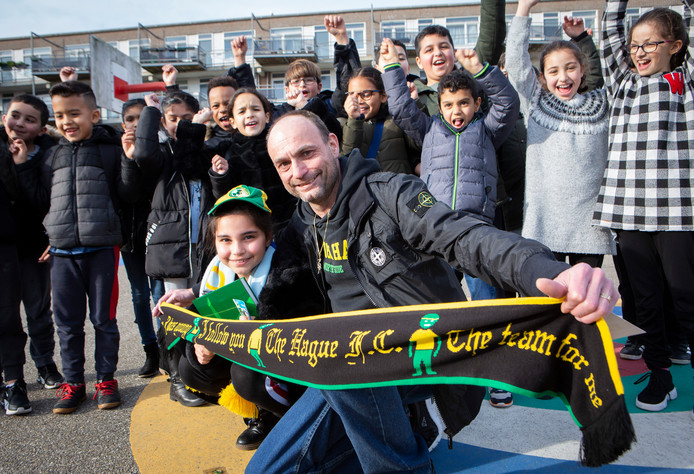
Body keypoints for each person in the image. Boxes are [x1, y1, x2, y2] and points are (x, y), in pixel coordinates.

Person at [244, 110, 619, 472]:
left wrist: (545, 269)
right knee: (266, 468)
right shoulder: (301, 223)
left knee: (345, 361)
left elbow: (465, 237)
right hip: (348, 378)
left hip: (418, 363)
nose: (299, 172)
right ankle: (408, 428)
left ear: (332, 143)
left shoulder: (390, 194)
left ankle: (413, 449)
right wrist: (200, 317)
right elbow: (274, 293)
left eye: (307, 153)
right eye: (284, 164)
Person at [154, 185, 322, 450]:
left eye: (248, 237)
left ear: (268, 237)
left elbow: (303, 339)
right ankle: (259, 411)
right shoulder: (217, 273)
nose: (237, 250)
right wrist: (202, 343)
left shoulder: (289, 274)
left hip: (289, 368)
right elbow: (204, 313)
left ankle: (293, 420)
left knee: (245, 374)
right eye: (226, 240)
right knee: (191, 368)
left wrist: (256, 333)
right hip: (245, 358)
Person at [594, 0, 694, 414]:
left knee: (686, 297)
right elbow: (609, 30)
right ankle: (660, 376)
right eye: (635, 45)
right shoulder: (623, 81)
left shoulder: (685, 80)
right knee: (646, 302)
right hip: (629, 212)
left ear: (675, 45)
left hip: (678, 211)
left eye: (650, 43)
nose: (638, 51)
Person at [17, 81, 140, 414]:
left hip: (102, 249)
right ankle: (73, 382)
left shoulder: (110, 149)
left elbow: (128, 195)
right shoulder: (50, 155)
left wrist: (128, 160)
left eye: (74, 113)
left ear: (95, 115)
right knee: (67, 324)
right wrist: (25, 165)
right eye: (59, 115)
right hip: (61, 252)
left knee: (104, 320)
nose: (67, 121)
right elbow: (41, 202)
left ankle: (106, 380)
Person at [128, 90, 231, 406]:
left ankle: (204, 375)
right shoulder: (163, 156)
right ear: (162, 122)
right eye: (173, 120)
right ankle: (177, 378)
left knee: (207, 311)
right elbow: (142, 154)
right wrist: (150, 112)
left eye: (187, 119)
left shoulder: (206, 152)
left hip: (205, 251)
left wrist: (217, 174)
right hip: (171, 251)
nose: (181, 125)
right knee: (174, 317)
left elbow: (220, 192)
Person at [505, 0, 616, 269]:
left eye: (570, 68)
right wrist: (523, 9)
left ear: (582, 71)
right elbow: (516, 64)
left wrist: (581, 39)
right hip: (544, 222)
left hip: (589, 225)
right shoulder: (536, 101)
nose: (563, 77)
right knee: (545, 301)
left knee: (583, 301)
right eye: (553, 71)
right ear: (542, 77)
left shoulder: (603, 102)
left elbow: (611, 70)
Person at [382, 41, 519, 224]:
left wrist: (479, 70)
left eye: (463, 103)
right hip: (435, 220)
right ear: (440, 107)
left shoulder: (487, 130)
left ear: (476, 104)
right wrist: (392, 67)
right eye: (448, 105)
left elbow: (508, 104)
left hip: (477, 221)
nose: (456, 111)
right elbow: (400, 108)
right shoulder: (429, 129)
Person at [2, 95, 64, 390]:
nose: (20, 124)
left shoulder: (48, 156)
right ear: (4, 118)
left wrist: (23, 163)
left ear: (41, 128)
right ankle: (12, 374)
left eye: (29, 120)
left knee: (38, 309)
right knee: (6, 313)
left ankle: (45, 364)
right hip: (5, 246)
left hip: (36, 245)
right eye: (15, 116)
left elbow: (44, 202)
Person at [119, 98, 163, 378]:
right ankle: (150, 348)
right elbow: (127, 193)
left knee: (160, 295)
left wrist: (142, 154)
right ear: (123, 124)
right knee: (138, 295)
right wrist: (128, 158)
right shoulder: (120, 152)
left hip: (158, 236)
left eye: (141, 119)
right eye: (130, 120)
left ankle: (165, 347)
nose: (136, 125)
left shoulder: (159, 152)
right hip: (130, 238)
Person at [217, 88, 297, 231]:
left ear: (267, 116)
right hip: (254, 232)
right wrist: (220, 176)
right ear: (232, 121)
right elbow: (225, 198)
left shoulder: (282, 142)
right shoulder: (228, 152)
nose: (249, 115)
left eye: (255, 109)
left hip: (293, 226)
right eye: (242, 111)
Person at [341, 67, 421, 175]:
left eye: (366, 94)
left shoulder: (397, 121)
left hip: (398, 189)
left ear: (383, 96)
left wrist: (412, 105)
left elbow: (421, 143)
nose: (359, 101)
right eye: (352, 95)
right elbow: (346, 161)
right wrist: (354, 121)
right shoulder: (347, 125)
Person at [274, 59, 343, 141]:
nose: (302, 84)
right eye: (296, 81)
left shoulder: (330, 105)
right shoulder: (278, 113)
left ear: (319, 87)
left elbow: (336, 134)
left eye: (309, 80)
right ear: (287, 89)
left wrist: (304, 105)